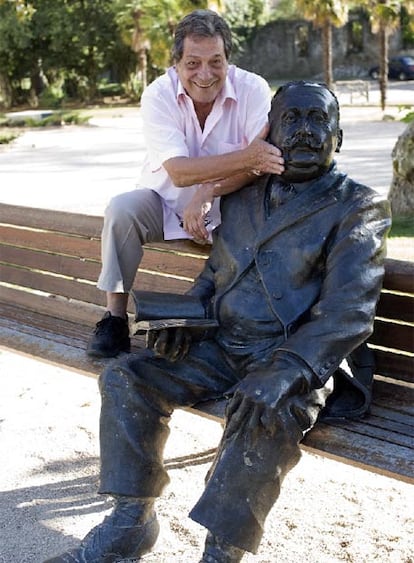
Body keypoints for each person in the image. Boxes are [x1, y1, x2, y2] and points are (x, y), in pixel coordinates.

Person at [46, 81, 391, 563]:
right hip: (222, 345)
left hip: (292, 358)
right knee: (126, 376)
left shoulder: (357, 205)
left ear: (339, 135)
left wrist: (285, 371)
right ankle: (129, 525)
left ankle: (220, 555)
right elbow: (214, 275)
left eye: (318, 120)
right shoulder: (245, 196)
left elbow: (348, 312)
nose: (306, 132)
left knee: (261, 410)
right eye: (293, 119)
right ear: (270, 131)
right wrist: (186, 318)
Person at [86, 8, 284, 358]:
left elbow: (264, 164)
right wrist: (248, 157)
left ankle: (247, 333)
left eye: (216, 62)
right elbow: (179, 172)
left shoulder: (253, 89)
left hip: (231, 211)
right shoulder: (158, 95)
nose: (205, 75)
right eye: (193, 63)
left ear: (228, 60)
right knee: (122, 209)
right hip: (165, 202)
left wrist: (210, 190)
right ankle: (114, 319)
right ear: (176, 62)